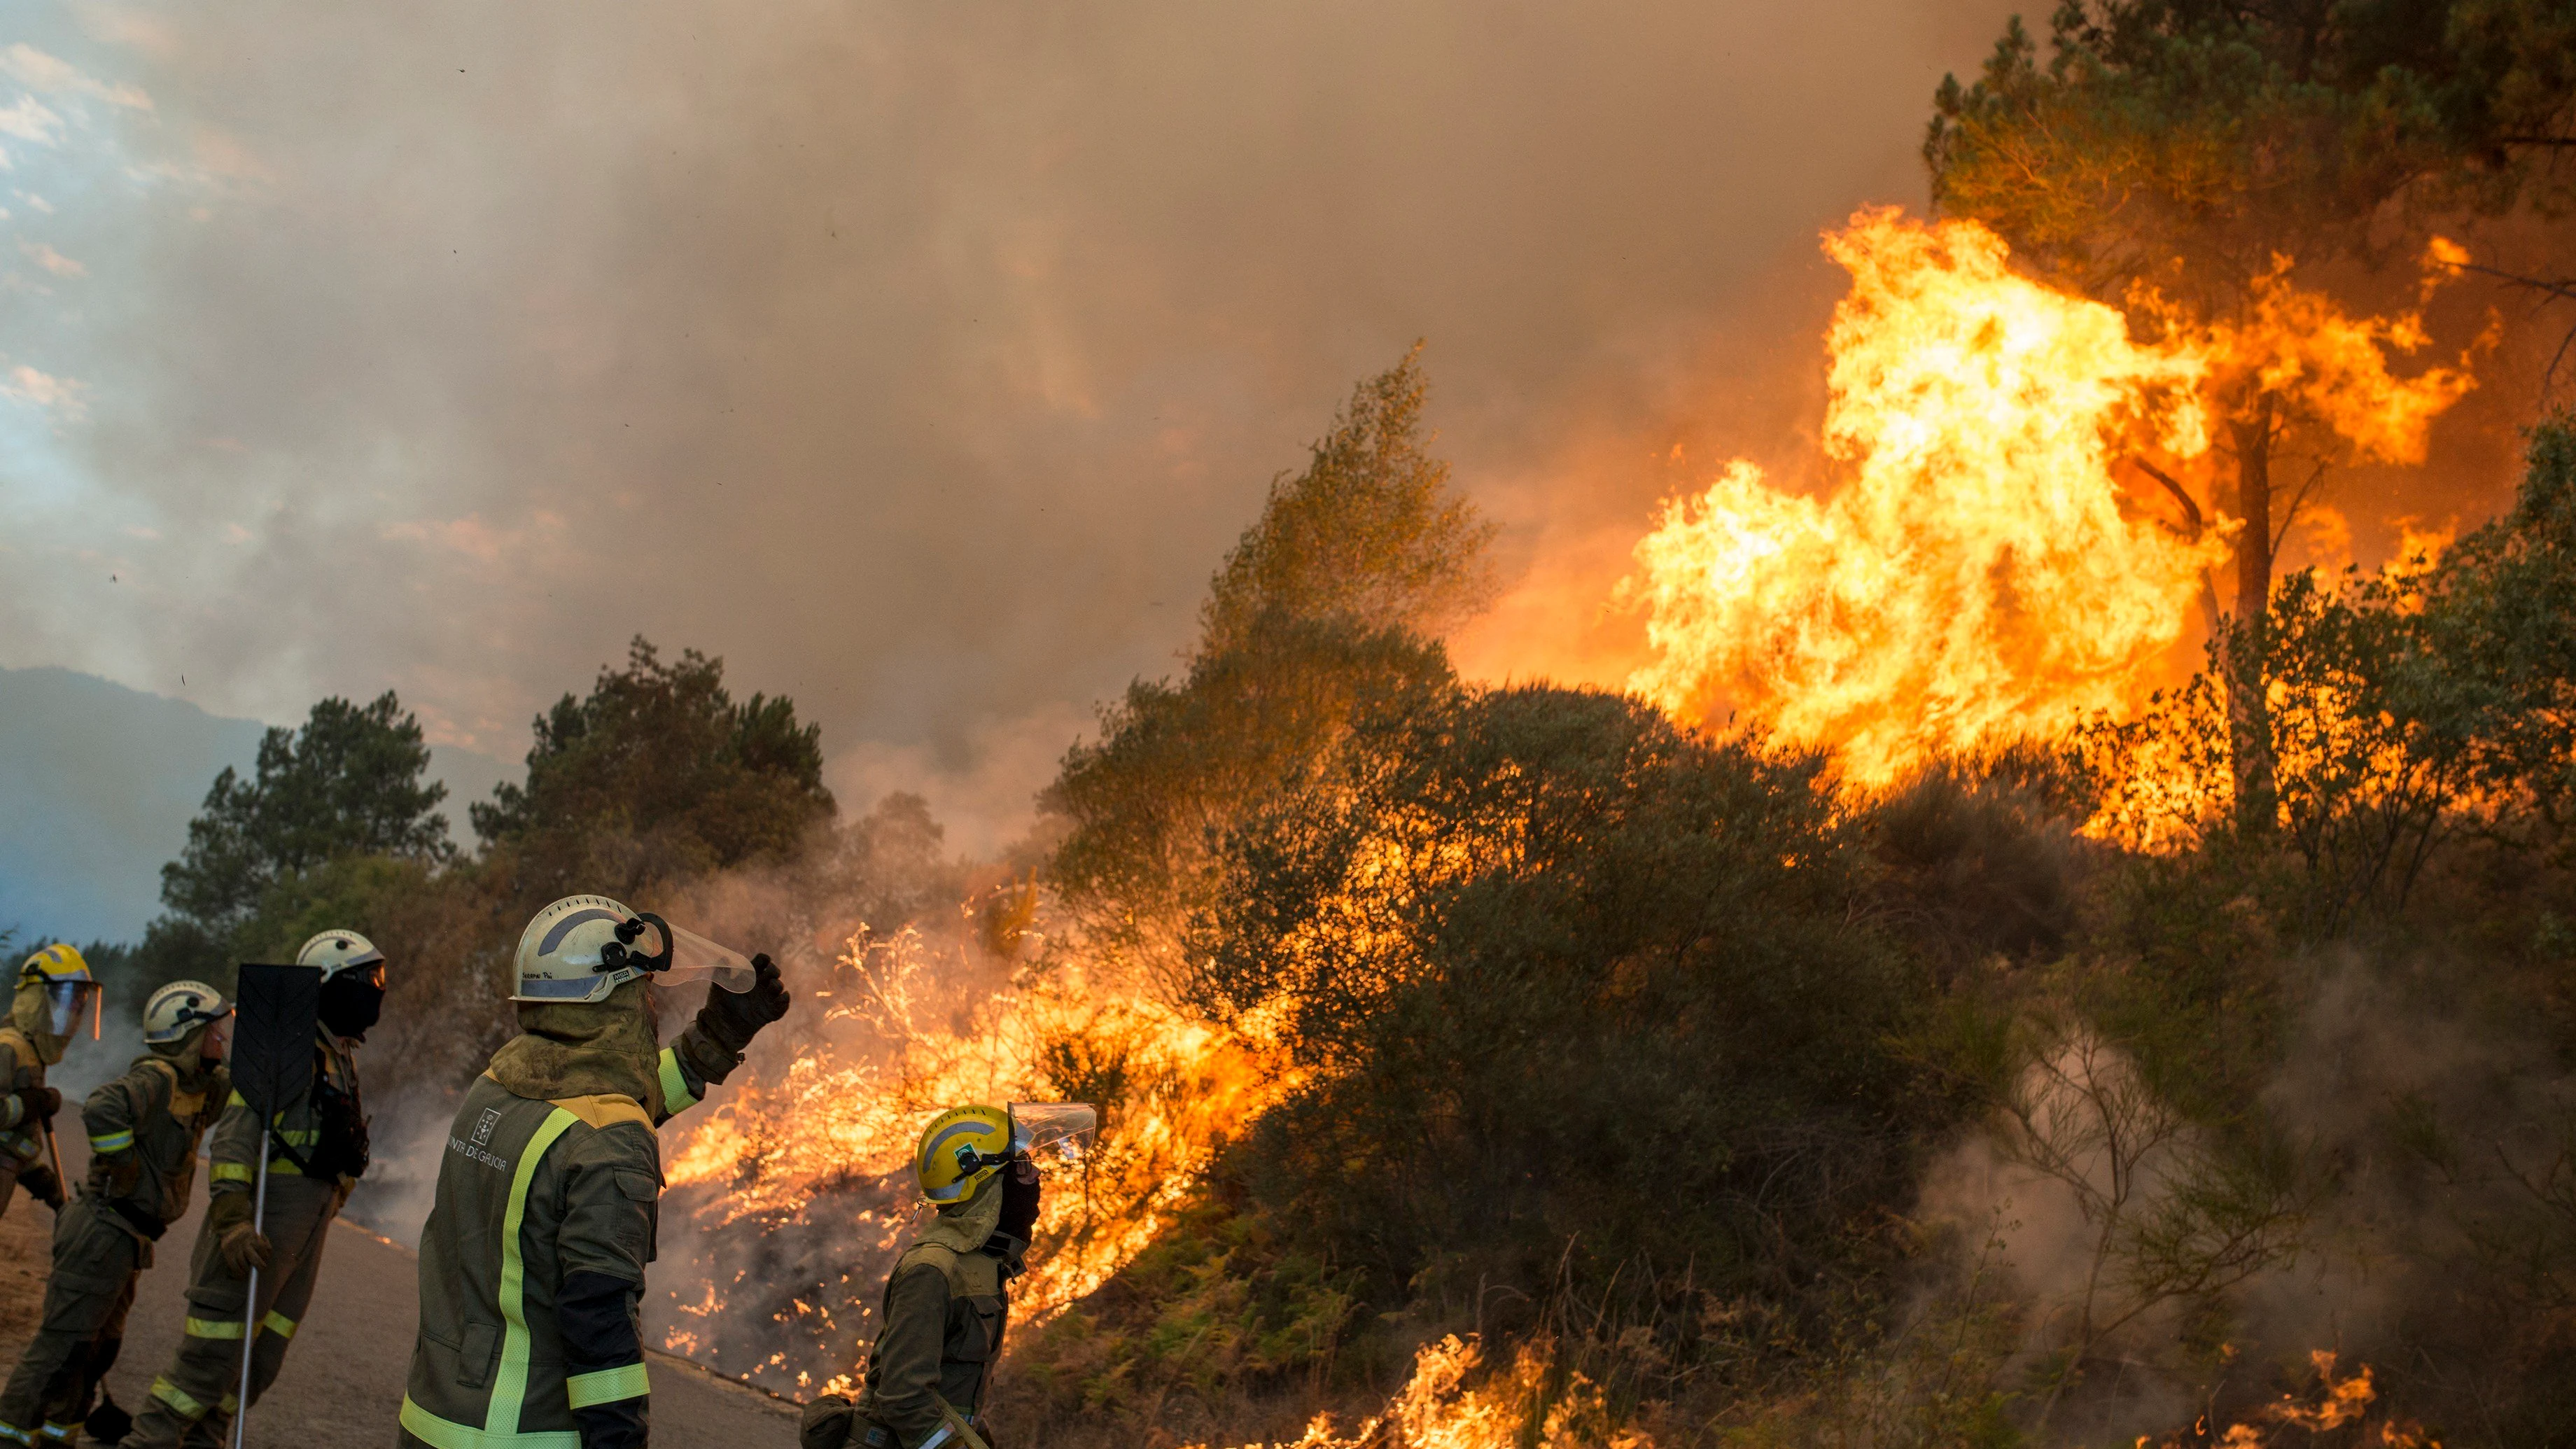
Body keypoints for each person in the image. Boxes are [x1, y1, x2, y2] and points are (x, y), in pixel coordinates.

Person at [398, 895, 790, 1449]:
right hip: (521, 1436)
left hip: (432, 1418)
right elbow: (599, 1320)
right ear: (615, 999)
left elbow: (607, 1108)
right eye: (643, 991)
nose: (650, 1006)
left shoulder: (498, 1086)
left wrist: (715, 1041)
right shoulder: (607, 1138)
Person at [120, 930, 393, 1449]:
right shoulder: (281, 1051)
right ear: (330, 985)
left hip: (303, 1234)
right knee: (206, 1366)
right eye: (367, 980)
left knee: (255, 1367)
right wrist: (233, 1222)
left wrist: (336, 1193)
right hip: (257, 1231)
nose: (376, 990)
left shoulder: (339, 1054)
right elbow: (233, 1143)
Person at [0, 981, 232, 1449]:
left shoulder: (197, 1088)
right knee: (61, 1348)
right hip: (101, 1229)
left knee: (95, 1352)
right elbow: (104, 1108)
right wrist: (122, 1164)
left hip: (128, 1236)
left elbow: (233, 1091)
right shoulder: (158, 1079)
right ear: (187, 1035)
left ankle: (56, 1436)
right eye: (214, 1032)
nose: (222, 1041)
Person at [799, 1105, 1046, 1449]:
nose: (1034, 1178)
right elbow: (904, 1397)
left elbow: (958, 1391)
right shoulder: (932, 1271)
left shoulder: (985, 1266)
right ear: (984, 1185)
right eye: (1020, 1167)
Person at [2, 946, 99, 1224]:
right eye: (68, 998)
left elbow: (11, 1139)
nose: (74, 1009)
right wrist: (35, 1102)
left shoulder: (30, 1050)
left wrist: (43, 1182)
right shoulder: (9, 1047)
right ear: (37, 999)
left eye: (80, 1001)